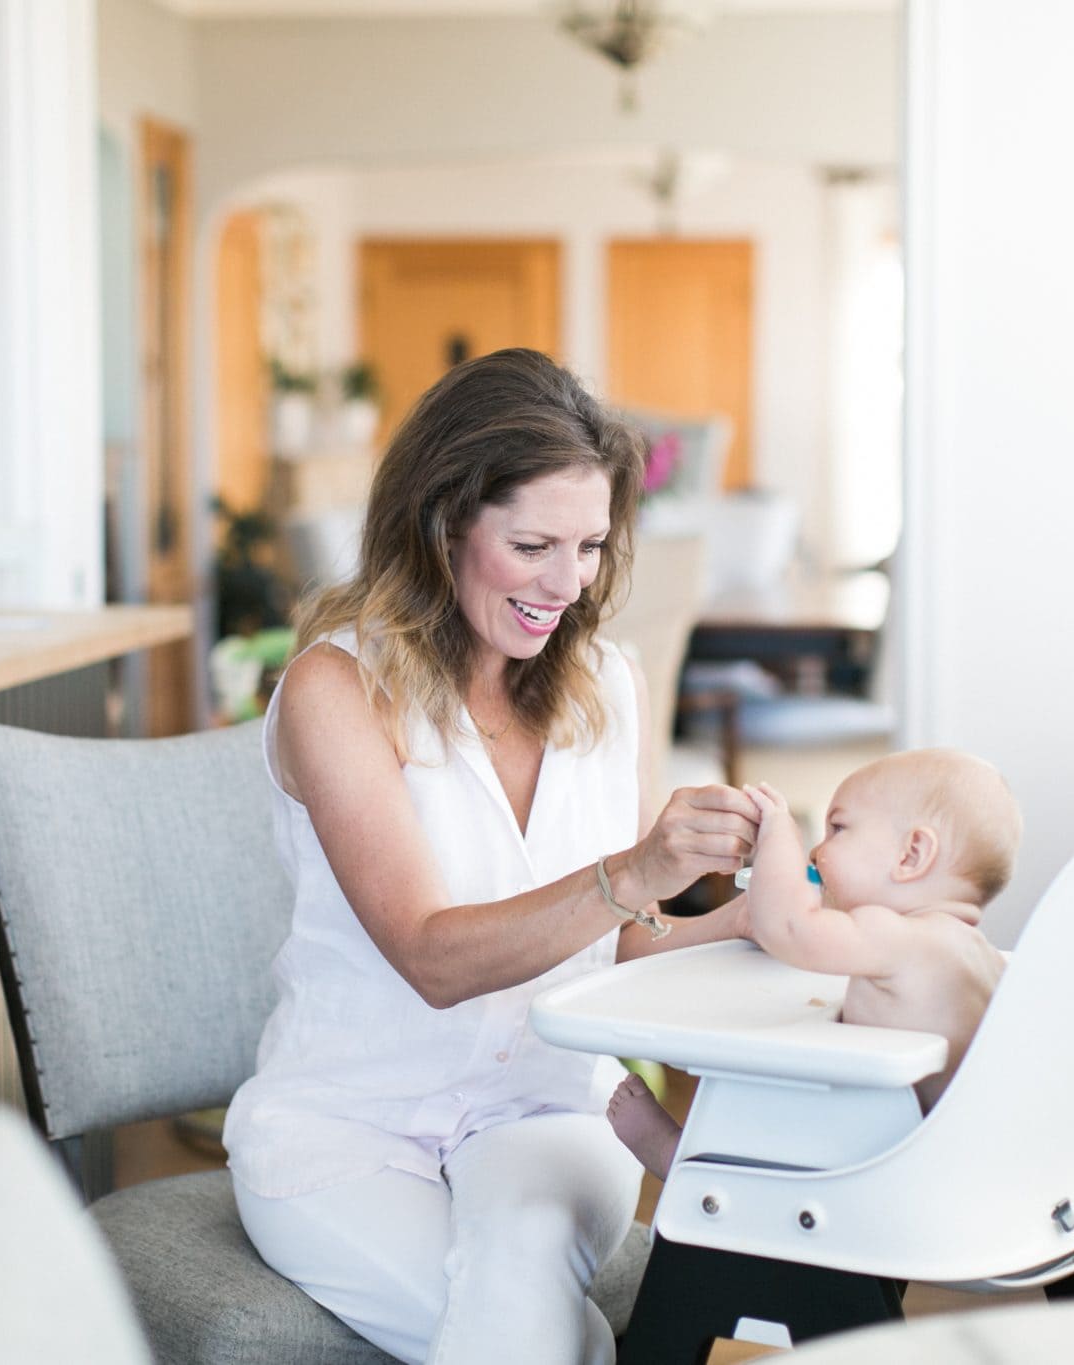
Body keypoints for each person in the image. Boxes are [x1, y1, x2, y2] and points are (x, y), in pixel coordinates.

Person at [222, 348, 762, 1365]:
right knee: (538, 1341)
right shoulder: (335, 692)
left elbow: (619, 952)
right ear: (443, 524)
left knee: (525, 1312)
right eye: (531, 545)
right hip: (345, 1127)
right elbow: (430, 956)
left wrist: (750, 918)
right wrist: (635, 872)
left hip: (551, 1109)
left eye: (592, 546)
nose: (567, 585)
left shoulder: (608, 683)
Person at [607, 749, 1024, 1179]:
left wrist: (779, 838)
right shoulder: (977, 955)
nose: (818, 852)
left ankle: (694, 1166)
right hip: (950, 1163)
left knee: (783, 1081)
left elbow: (789, 927)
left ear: (911, 855)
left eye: (838, 828)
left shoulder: (899, 937)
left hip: (878, 1171)